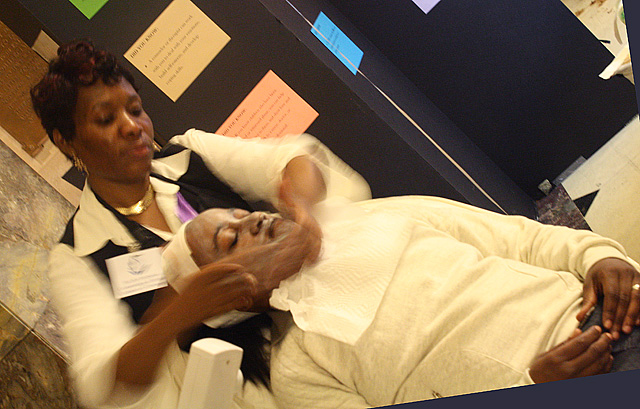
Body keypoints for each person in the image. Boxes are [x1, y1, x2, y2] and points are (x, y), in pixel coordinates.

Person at [30, 39, 368, 409]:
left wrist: (299, 206)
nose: (132, 127)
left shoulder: (190, 156)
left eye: (136, 109)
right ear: (67, 141)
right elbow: (105, 385)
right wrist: (181, 311)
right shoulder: (77, 255)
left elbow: (294, 158)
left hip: (320, 333)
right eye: (106, 119)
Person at [162, 192, 640, 408]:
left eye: (242, 211)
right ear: (232, 300)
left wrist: (600, 257)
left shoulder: (374, 219)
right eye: (230, 239)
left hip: (611, 311)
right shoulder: (297, 369)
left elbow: (519, 238)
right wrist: (530, 388)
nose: (253, 221)